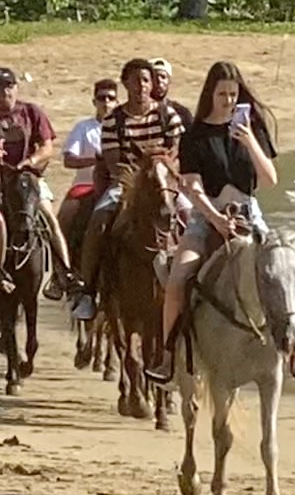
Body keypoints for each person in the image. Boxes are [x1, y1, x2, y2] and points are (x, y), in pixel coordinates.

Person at [144, 61, 295, 384]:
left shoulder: (253, 128)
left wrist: (249, 140)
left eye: (233, 94)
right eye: (222, 93)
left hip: (250, 216)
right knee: (178, 278)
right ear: (210, 94)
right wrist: (215, 219)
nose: (227, 100)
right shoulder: (195, 134)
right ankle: (167, 355)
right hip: (206, 218)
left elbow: (269, 180)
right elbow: (192, 186)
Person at [73, 58, 184, 322]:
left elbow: (176, 150)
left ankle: (195, 283)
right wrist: (137, 181)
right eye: (135, 80)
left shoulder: (167, 115)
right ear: (125, 84)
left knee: (191, 216)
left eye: (145, 80)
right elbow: (113, 161)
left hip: (164, 180)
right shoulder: (114, 121)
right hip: (128, 182)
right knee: (99, 219)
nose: (141, 86)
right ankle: (88, 290)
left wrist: (163, 171)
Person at [0, 65, 81, 298]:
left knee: (48, 216)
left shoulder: (31, 112)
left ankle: (64, 272)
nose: (5, 92)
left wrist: (30, 161)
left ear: (16, 88)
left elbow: (47, 147)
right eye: (0, 88)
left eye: (9, 86)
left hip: (27, 178)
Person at [58, 78, 117, 262]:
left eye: (110, 98)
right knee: (66, 216)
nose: (106, 102)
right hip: (86, 184)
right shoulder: (83, 127)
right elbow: (69, 159)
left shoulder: (122, 127)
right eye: (102, 98)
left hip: (117, 184)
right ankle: (62, 262)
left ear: (116, 101)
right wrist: (98, 161)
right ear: (94, 101)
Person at [148, 56, 193, 131]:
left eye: (163, 77)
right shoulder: (138, 112)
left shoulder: (181, 113)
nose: (159, 81)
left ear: (169, 81)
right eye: (154, 77)